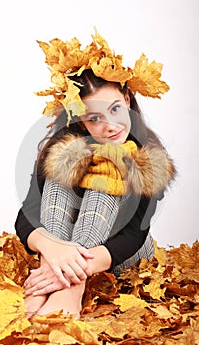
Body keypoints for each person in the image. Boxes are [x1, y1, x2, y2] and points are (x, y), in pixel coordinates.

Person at [15, 30, 176, 318]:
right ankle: (52, 280)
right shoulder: (62, 147)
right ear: (80, 119)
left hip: (120, 256)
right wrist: (52, 251)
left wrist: (71, 274)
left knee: (109, 168)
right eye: (95, 118)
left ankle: (67, 291)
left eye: (115, 109)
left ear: (127, 99)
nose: (110, 125)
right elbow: (27, 214)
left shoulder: (148, 157)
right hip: (62, 255)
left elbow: (132, 235)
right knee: (62, 166)